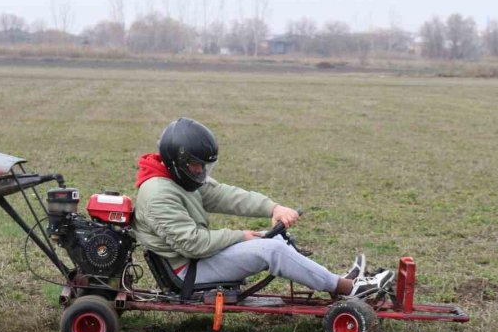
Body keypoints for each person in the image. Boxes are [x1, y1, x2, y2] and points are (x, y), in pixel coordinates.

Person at [133, 118, 394, 299]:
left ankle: (336, 282)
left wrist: (273, 208)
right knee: (272, 249)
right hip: (187, 271)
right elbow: (192, 244)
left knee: (276, 238)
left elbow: (226, 195)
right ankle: (350, 289)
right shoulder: (158, 194)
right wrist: (241, 235)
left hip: (196, 260)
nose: (201, 172)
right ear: (179, 161)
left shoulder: (177, 178)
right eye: (197, 165)